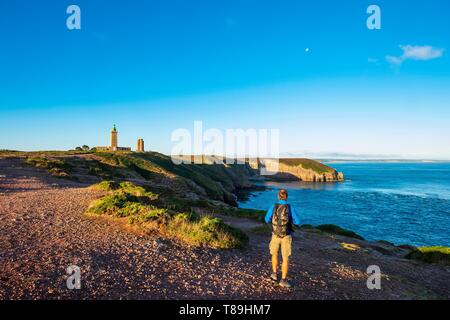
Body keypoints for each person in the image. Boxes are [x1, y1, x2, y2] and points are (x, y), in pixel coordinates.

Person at [264, 188, 300, 288]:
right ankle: (283, 280)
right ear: (286, 197)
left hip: (275, 234)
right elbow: (297, 222)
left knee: (274, 254)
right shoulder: (290, 207)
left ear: (278, 196)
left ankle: (274, 274)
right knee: (285, 258)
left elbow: (266, 219)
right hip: (286, 235)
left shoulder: (273, 206)